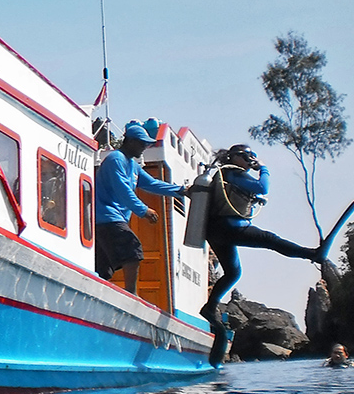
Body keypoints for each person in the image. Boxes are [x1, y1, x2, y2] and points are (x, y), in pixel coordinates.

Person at [199, 143, 324, 366]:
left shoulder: (225, 175)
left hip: (216, 231)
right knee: (270, 240)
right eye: (246, 157)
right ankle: (311, 254)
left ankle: (210, 306)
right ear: (235, 157)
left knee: (233, 272)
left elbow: (243, 194)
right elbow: (262, 187)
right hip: (231, 227)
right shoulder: (233, 173)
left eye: (252, 158)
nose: (250, 161)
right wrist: (264, 169)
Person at [94, 122, 187, 295]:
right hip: (106, 216)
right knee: (133, 250)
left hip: (114, 218)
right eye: (142, 143)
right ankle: (131, 294)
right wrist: (144, 210)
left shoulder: (133, 165)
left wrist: (180, 190)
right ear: (129, 141)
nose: (145, 146)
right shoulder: (116, 159)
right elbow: (123, 190)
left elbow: (151, 184)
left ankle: (97, 297)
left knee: (103, 267)